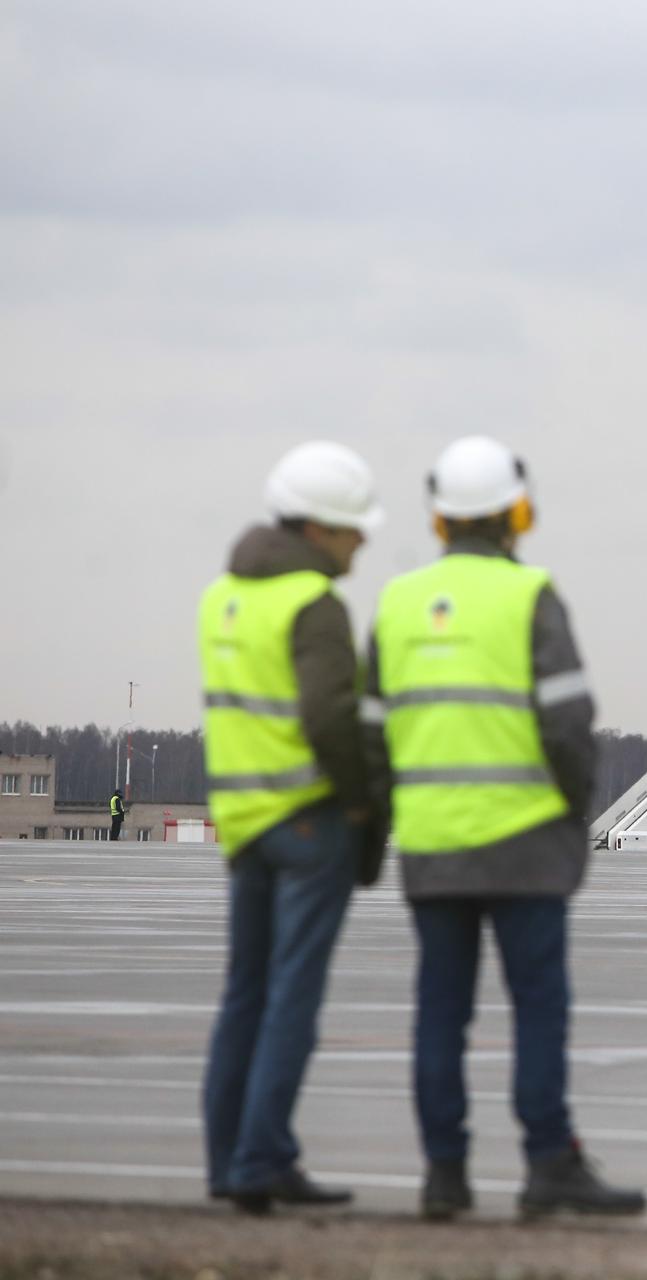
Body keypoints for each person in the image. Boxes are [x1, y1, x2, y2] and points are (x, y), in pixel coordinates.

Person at [364, 436, 646, 1223]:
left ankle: (444, 1175)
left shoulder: (396, 603)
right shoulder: (531, 596)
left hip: (431, 851)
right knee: (537, 1010)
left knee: (440, 1014)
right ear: (517, 513)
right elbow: (569, 727)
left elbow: (368, 739)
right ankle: (548, 1164)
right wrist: (572, 819)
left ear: (438, 519)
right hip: (525, 849)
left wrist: (378, 830)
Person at [199, 441, 387, 1216]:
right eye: (351, 530)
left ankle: (227, 1158)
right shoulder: (312, 603)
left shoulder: (223, 597)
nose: (361, 542)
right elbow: (329, 718)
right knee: (291, 1000)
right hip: (309, 822)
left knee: (244, 994)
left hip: (244, 826)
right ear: (315, 529)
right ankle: (262, 1159)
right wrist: (360, 800)